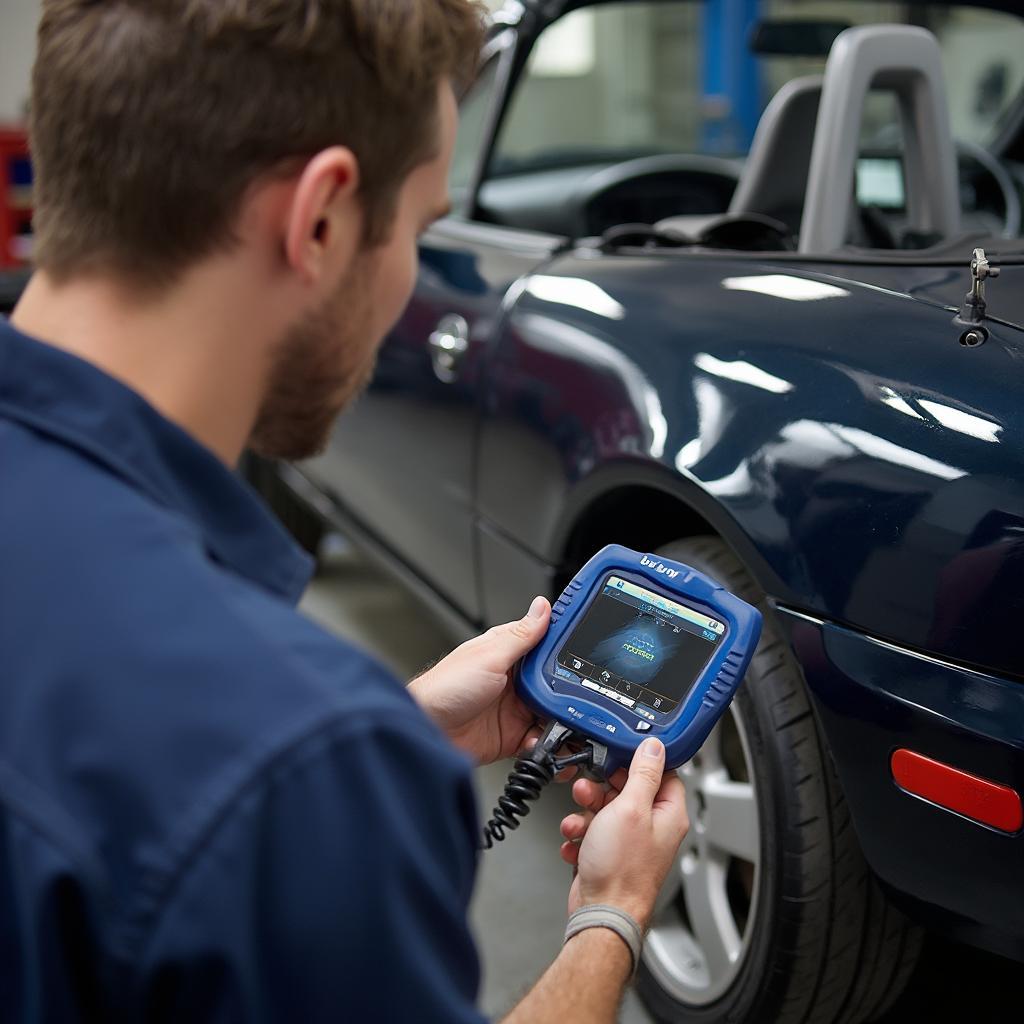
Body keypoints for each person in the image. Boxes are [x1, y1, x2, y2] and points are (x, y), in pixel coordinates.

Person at [0, 1, 689, 1021]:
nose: (410, 269)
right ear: (319, 219)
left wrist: (393, 735)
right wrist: (611, 916)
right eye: (415, 226)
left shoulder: (285, 758)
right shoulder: (298, 768)